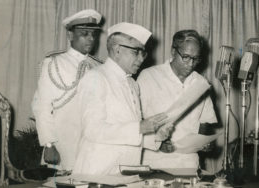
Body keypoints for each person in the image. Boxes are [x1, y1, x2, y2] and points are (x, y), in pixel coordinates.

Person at [73, 22, 169, 175]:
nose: (141, 58)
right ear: (117, 50)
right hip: (98, 173)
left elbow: (129, 135)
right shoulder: (96, 78)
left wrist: (156, 136)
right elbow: (93, 130)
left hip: (125, 172)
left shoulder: (132, 83)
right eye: (136, 52)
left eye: (143, 53)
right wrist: (140, 127)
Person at [32, 9, 103, 171]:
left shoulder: (99, 66)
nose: (91, 39)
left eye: (93, 34)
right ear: (70, 36)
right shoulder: (54, 63)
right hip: (64, 144)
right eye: (84, 34)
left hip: (93, 145)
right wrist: (49, 144)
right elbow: (42, 106)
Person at [137, 30, 218, 169]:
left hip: (189, 164)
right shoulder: (148, 77)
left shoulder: (200, 83)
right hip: (153, 162)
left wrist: (205, 142)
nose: (191, 64)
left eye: (196, 58)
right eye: (186, 57)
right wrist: (156, 141)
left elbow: (205, 122)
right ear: (173, 51)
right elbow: (134, 121)